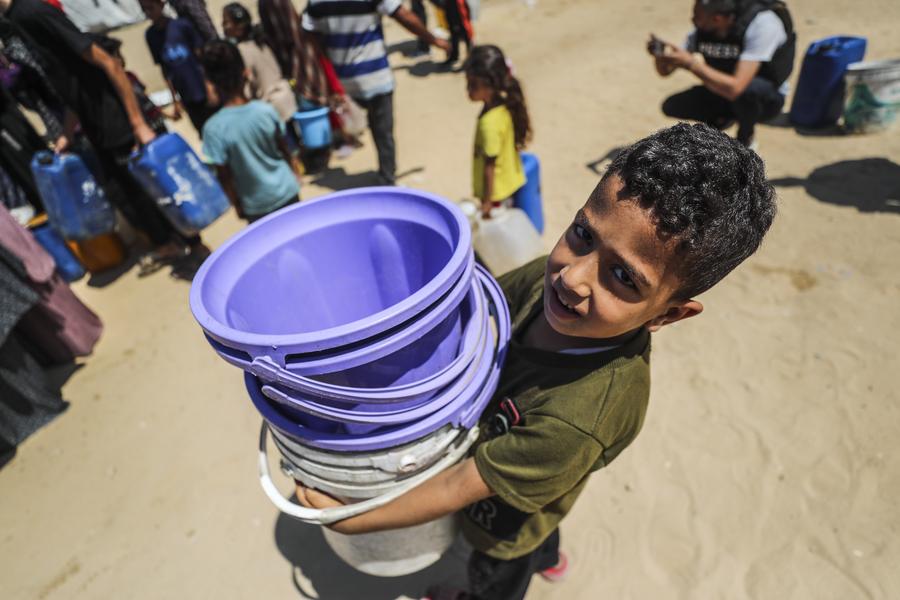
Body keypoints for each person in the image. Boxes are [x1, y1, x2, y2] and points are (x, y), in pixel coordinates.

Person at [295, 123, 777, 600]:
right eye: (583, 233)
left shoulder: (579, 419)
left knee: (500, 573)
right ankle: (552, 557)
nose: (573, 277)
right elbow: (475, 309)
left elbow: (459, 484)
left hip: (503, 530)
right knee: (548, 498)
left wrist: (352, 519)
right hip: (530, 474)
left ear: (668, 315)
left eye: (623, 278)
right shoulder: (545, 284)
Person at [0, 0, 208, 268]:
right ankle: (170, 244)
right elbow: (71, 82)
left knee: (154, 187)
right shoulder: (16, 20)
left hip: (116, 120)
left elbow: (109, 63)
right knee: (130, 193)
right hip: (95, 125)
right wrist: (67, 133)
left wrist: (138, 124)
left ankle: (196, 245)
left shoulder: (30, 12)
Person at [302, 0, 450, 185]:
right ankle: (387, 179)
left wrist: (327, 74)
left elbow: (310, 35)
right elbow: (403, 16)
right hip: (375, 79)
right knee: (383, 133)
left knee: (353, 128)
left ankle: (362, 157)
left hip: (341, 81)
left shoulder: (315, 2)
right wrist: (434, 40)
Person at [648, 0, 795, 148]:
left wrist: (691, 64)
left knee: (748, 92)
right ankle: (720, 124)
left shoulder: (762, 24)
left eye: (697, 16)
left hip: (765, 99)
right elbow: (665, 72)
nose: (692, 20)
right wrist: (661, 56)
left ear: (716, 19)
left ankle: (746, 140)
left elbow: (736, 88)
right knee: (673, 106)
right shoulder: (703, 30)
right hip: (724, 91)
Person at [200, 40, 301, 223]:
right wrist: (295, 173)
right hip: (287, 191)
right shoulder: (266, 111)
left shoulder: (213, 129)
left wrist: (236, 203)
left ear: (211, 82)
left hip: (256, 207)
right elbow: (284, 148)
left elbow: (224, 175)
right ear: (245, 72)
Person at [464, 45, 530, 219]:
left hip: (495, 195)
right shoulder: (504, 103)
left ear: (490, 85)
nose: (467, 90)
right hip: (507, 184)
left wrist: (487, 203)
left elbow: (490, 166)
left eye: (473, 85)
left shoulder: (489, 123)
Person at [140, 0, 216, 135]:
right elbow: (165, 70)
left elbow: (201, 58)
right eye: (144, 10)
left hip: (202, 88)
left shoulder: (182, 26)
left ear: (161, 5)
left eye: (151, 8)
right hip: (186, 96)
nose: (148, 13)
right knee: (204, 132)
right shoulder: (151, 36)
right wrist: (175, 100)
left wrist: (210, 85)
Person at [221, 2, 297, 123]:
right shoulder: (261, 39)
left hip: (272, 108)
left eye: (226, 22)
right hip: (287, 99)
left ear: (239, 27)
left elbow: (246, 88)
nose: (223, 26)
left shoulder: (241, 51)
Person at [92, 34, 175, 136]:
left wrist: (167, 115)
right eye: (116, 55)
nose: (121, 58)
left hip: (158, 125)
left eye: (120, 54)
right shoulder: (110, 89)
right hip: (144, 133)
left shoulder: (131, 76)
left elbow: (147, 101)